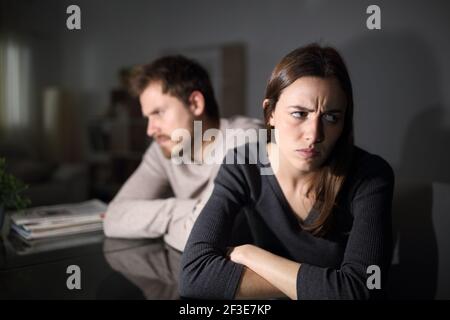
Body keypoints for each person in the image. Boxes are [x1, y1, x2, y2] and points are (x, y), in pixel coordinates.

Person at [180, 44, 395, 300]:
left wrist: (251, 255)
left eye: (331, 117)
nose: (314, 135)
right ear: (270, 113)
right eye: (299, 114)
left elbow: (361, 291)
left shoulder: (371, 176)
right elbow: (194, 278)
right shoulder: (243, 163)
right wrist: (329, 284)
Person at [103, 55, 263, 252]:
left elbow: (203, 238)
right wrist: (184, 210)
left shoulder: (247, 140)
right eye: (148, 118)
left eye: (158, 113)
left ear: (195, 103)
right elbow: (114, 218)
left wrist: (159, 222)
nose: (150, 130)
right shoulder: (164, 149)